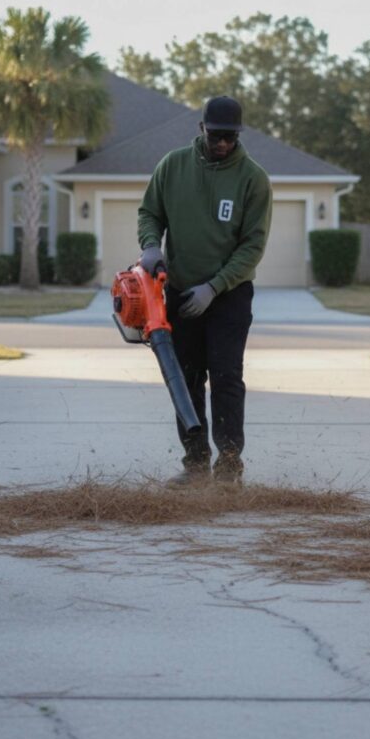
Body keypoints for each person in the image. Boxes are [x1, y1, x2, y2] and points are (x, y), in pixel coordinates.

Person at [137, 95, 273, 486]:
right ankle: (195, 465)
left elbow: (253, 245)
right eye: (216, 136)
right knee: (187, 378)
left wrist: (214, 287)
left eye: (230, 137)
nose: (223, 144)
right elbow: (150, 213)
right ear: (202, 129)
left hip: (228, 295)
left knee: (227, 377)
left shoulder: (252, 178)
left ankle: (229, 467)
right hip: (179, 292)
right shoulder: (173, 166)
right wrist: (150, 245)